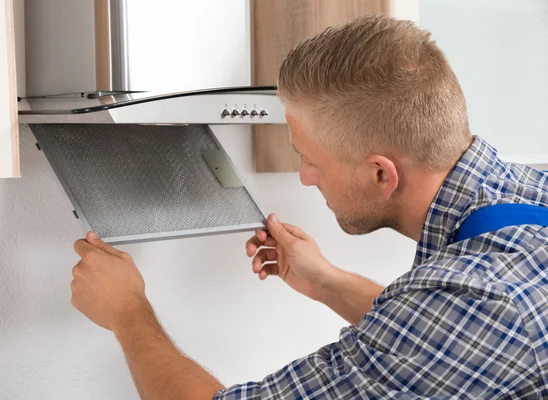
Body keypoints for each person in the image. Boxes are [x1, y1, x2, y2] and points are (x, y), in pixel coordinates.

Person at [70, 14, 548, 399]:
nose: (304, 176)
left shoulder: (481, 298)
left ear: (382, 173)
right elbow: (448, 345)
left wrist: (127, 311)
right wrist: (328, 282)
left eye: (310, 159)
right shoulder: (529, 194)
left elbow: (456, 324)